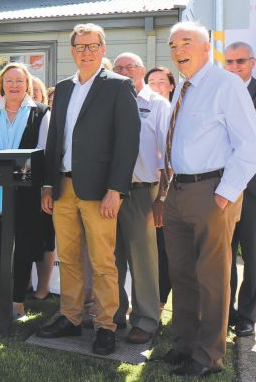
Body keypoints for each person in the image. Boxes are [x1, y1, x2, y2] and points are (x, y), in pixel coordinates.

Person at [159, 22, 256, 376]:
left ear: (206, 48)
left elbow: (249, 146)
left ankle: (208, 357)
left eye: (186, 42)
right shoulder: (183, 88)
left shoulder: (226, 84)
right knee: (182, 274)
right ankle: (184, 344)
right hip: (178, 190)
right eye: (172, 44)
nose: (177, 49)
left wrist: (224, 195)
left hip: (211, 192)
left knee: (212, 278)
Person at [37, 23, 140, 356]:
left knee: (102, 261)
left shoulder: (119, 86)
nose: (86, 52)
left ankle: (106, 325)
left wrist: (116, 189)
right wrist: (49, 183)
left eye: (92, 46)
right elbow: (55, 140)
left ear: (103, 48)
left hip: (99, 191)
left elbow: (127, 143)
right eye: (80, 46)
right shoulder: (64, 88)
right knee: (68, 258)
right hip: (63, 186)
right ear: (72, 50)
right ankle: (70, 315)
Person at [0, 63, 49, 319]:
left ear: (27, 84)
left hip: (27, 195)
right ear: (1, 85)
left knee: (24, 247)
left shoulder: (41, 113)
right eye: (9, 81)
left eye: (19, 81)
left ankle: (17, 302)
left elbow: (42, 154)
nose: (14, 85)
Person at [111, 52, 170, 344]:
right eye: (118, 67)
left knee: (143, 260)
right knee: (111, 258)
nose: (123, 71)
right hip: (109, 192)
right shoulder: (110, 102)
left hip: (142, 191)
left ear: (141, 70)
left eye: (129, 67)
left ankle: (146, 320)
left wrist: (162, 197)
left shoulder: (158, 105)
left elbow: (167, 155)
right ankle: (114, 314)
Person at [224, 41, 256, 338]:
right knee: (222, 256)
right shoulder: (219, 94)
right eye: (230, 62)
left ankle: (247, 315)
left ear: (253, 63)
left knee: (254, 255)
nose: (235, 67)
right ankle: (227, 313)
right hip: (222, 187)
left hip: (254, 191)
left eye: (240, 62)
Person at [145, 65, 177, 310]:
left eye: (161, 81)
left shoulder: (178, 111)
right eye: (151, 82)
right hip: (148, 189)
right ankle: (152, 300)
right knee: (154, 248)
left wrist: (164, 196)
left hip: (173, 190)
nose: (156, 86)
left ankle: (161, 301)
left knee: (168, 250)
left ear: (172, 85)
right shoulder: (144, 110)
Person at [29, 78, 56, 301]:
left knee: (45, 239)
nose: (34, 93)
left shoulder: (47, 116)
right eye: (32, 90)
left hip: (44, 188)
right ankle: (25, 282)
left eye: (37, 90)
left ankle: (43, 286)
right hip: (22, 188)